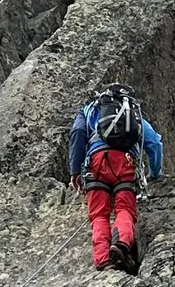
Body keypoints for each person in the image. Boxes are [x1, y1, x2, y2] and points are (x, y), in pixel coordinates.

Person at [67, 85, 163, 274]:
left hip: (96, 163)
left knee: (99, 214)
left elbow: (77, 134)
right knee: (124, 209)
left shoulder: (90, 109)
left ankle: (103, 259)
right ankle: (120, 244)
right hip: (125, 163)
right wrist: (155, 173)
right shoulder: (133, 115)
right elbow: (155, 143)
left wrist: (75, 171)